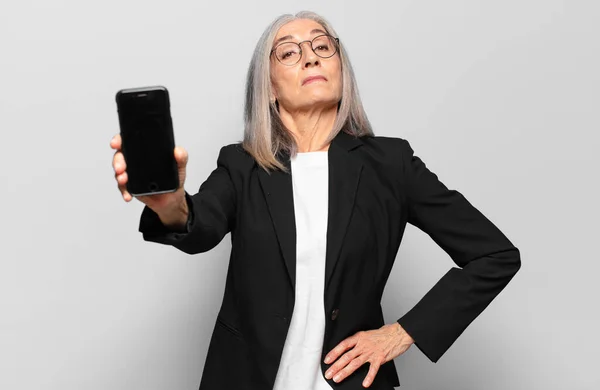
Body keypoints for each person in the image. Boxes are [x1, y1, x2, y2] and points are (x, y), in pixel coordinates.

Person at [110, 10, 521, 390]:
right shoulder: (241, 165)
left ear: (341, 67)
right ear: (269, 86)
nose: (310, 58)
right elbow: (201, 228)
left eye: (322, 46)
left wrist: (402, 332)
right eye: (289, 51)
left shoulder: (392, 164)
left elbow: (496, 254)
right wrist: (168, 203)